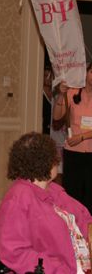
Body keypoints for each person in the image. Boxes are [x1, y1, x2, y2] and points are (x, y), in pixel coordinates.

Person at [0, 132, 92, 274]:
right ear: (45, 162)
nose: (58, 161)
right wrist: (60, 269)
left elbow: (84, 217)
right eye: (55, 158)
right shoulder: (19, 198)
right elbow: (13, 251)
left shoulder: (52, 189)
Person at [53, 62, 92, 213]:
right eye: (91, 72)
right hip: (73, 152)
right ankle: (73, 232)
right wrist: (62, 95)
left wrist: (82, 137)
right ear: (86, 73)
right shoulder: (72, 93)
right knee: (73, 195)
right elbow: (57, 116)